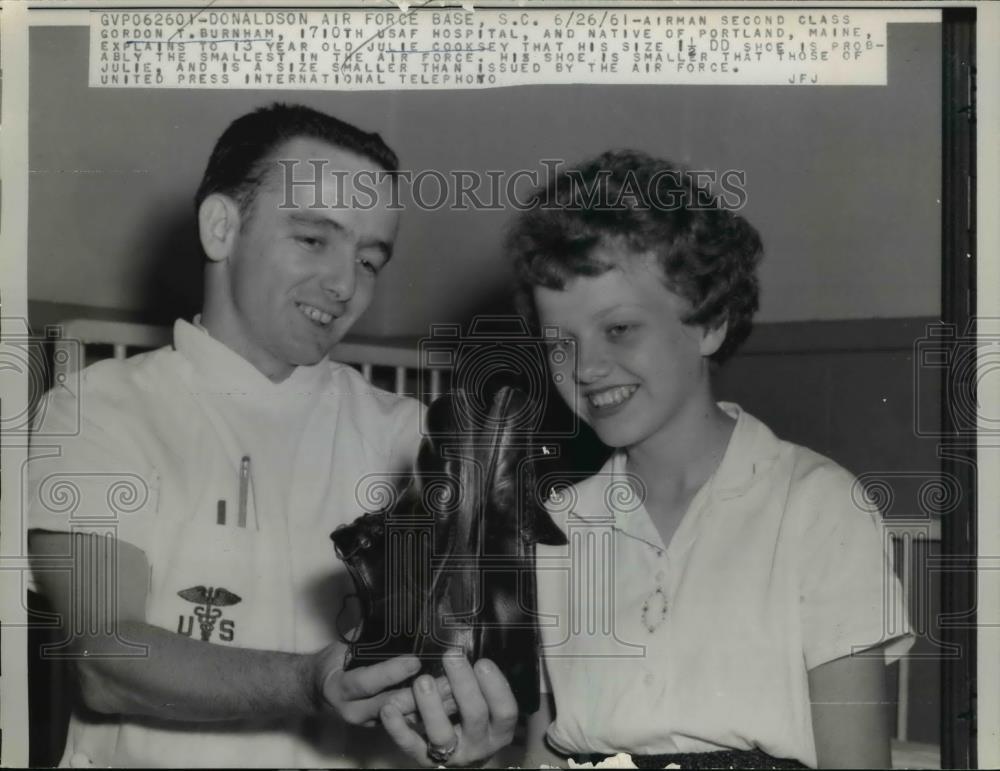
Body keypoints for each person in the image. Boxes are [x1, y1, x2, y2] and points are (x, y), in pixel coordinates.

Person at [26, 103, 516, 768]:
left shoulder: (410, 437)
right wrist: (306, 681)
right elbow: (103, 658)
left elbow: (465, 682)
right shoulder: (98, 407)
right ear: (222, 226)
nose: (345, 285)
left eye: (370, 259)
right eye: (314, 239)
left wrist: (472, 744)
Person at [397, 149, 912, 768]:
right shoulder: (552, 528)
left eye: (618, 329)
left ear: (710, 323)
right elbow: (548, 756)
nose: (585, 369)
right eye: (559, 343)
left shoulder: (818, 508)